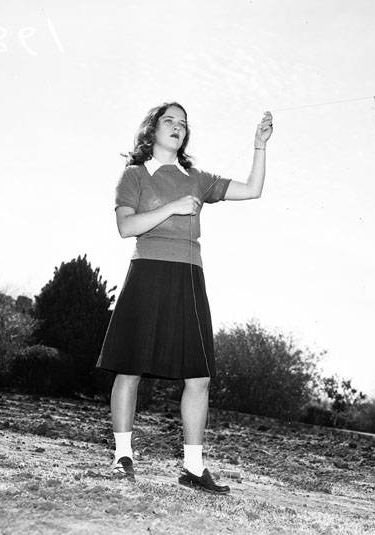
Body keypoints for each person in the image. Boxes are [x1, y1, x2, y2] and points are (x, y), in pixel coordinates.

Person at [96, 102, 272, 494]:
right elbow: (126, 227)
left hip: (189, 277)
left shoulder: (196, 177)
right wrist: (174, 208)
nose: (178, 127)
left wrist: (259, 146)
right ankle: (123, 456)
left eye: (183, 124)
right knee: (129, 368)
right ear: (152, 130)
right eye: (169, 121)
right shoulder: (134, 175)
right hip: (148, 273)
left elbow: (253, 190)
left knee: (200, 375)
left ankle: (193, 468)